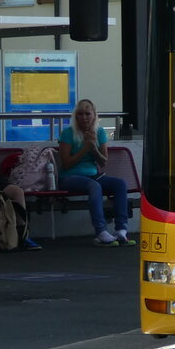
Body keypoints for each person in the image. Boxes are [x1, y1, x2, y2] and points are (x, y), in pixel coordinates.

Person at [58, 98, 130, 246]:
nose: (84, 117)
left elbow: (103, 161)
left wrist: (93, 148)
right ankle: (101, 231)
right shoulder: (68, 133)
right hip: (70, 177)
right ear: (75, 116)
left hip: (93, 175)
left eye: (87, 114)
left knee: (120, 184)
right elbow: (66, 164)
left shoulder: (99, 132)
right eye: (80, 114)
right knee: (94, 186)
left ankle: (121, 229)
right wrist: (84, 148)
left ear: (94, 115)